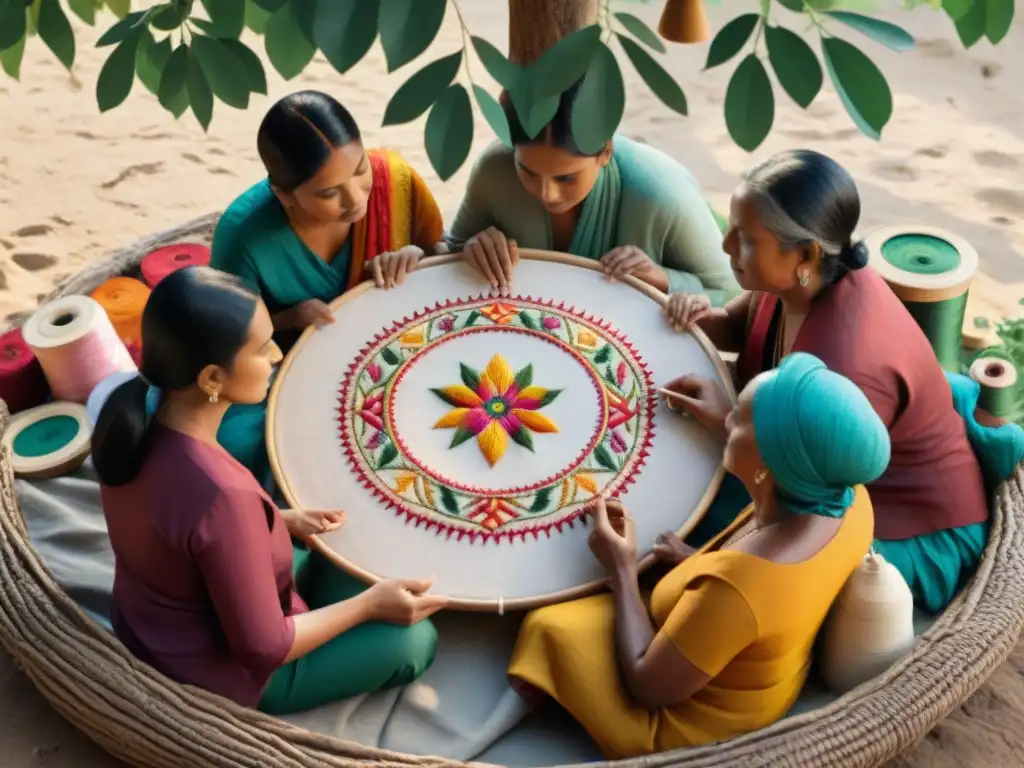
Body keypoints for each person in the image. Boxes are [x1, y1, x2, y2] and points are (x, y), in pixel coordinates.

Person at [92, 266, 446, 714]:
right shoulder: (220, 493)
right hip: (215, 668)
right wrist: (368, 606)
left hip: (153, 618)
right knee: (413, 641)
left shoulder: (133, 413)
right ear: (211, 379)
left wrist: (277, 522)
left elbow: (179, 531)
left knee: (357, 554)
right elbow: (264, 648)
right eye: (262, 349)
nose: (278, 355)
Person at [508, 353, 885, 758]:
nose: (726, 421)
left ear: (769, 468)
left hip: (693, 718)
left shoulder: (737, 590)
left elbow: (648, 686)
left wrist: (622, 571)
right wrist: (695, 560)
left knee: (547, 625)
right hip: (750, 653)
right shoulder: (848, 498)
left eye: (739, 420)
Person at [662, 149, 989, 614]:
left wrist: (708, 562)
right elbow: (738, 329)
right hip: (801, 466)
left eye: (745, 238)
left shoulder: (845, 362)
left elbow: (812, 506)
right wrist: (692, 315)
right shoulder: (801, 281)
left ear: (806, 254)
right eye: (732, 228)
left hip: (898, 518)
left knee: (693, 522)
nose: (725, 246)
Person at [210, 90, 445, 486]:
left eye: (358, 170)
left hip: (397, 345)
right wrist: (291, 318)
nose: (355, 200)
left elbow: (440, 258)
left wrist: (412, 257)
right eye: (328, 192)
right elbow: (229, 340)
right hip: (291, 364)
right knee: (236, 440)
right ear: (284, 195)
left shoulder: (395, 182)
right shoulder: (243, 237)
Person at [445, 81, 739, 302]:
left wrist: (662, 279)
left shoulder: (662, 192)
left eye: (567, 178)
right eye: (528, 172)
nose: (547, 193)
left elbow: (732, 293)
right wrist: (471, 249)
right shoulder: (495, 169)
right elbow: (447, 250)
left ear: (606, 151)